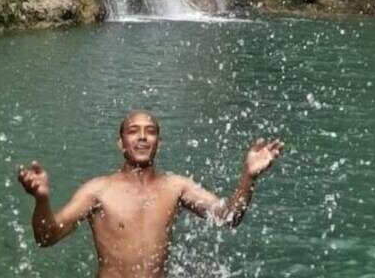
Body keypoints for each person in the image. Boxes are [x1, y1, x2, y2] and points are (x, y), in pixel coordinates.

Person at [17, 110, 284, 278]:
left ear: (159, 142)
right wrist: (41, 200)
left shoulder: (176, 187)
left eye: (150, 131)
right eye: (133, 131)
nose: (142, 137)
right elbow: (46, 237)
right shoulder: (98, 191)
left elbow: (229, 217)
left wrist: (248, 177)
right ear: (121, 143)